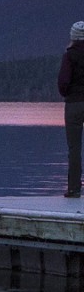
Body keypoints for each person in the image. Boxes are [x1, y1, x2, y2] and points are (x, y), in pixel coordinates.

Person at [58, 21, 84, 197]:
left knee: (74, 148)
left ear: (73, 37)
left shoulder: (70, 55)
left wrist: (67, 92)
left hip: (74, 104)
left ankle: (74, 188)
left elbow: (63, 82)